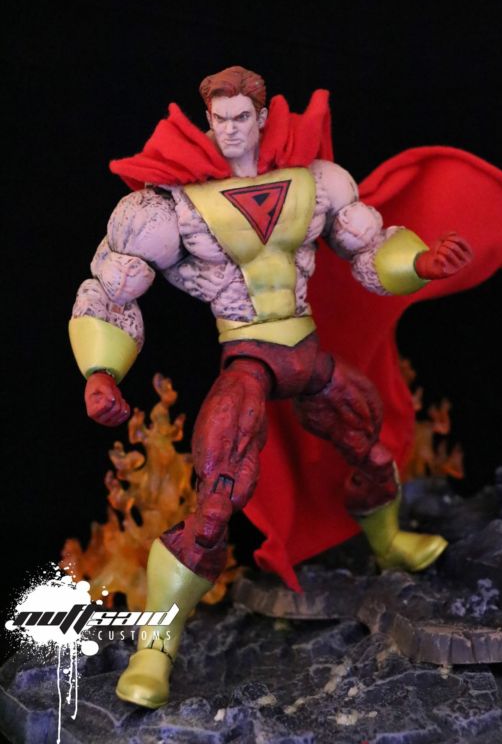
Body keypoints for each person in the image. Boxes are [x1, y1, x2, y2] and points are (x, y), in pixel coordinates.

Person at [69, 66, 472, 708]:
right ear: (206, 121)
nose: (230, 130)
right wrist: (101, 371)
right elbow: (113, 288)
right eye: (219, 119)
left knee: (371, 446)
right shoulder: (170, 207)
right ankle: (155, 648)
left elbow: (369, 250)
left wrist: (421, 261)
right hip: (247, 356)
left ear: (261, 117)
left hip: (307, 352)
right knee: (215, 502)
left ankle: (389, 543)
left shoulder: (317, 181)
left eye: (240, 118)